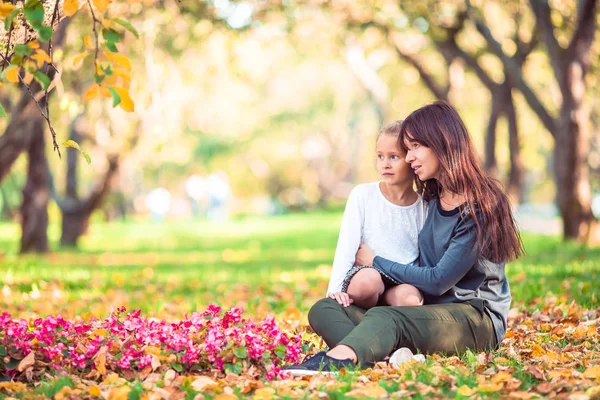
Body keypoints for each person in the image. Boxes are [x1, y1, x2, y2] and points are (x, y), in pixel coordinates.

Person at [286, 101, 523, 375]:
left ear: (442, 142)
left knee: (387, 317)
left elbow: (437, 280)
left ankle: (337, 360)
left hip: (475, 318)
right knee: (325, 309)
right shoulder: (434, 198)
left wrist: (375, 261)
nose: (409, 158)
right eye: (407, 149)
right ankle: (389, 360)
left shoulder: (481, 205)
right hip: (430, 314)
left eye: (415, 147)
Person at [327, 120, 427, 310]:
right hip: (367, 273)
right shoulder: (363, 195)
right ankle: (361, 316)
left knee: (410, 299)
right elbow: (346, 247)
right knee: (369, 282)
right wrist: (335, 289)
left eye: (394, 157)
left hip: (401, 279)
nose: (385, 164)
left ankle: (387, 323)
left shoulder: (423, 207)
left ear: (411, 160)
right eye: (380, 156)